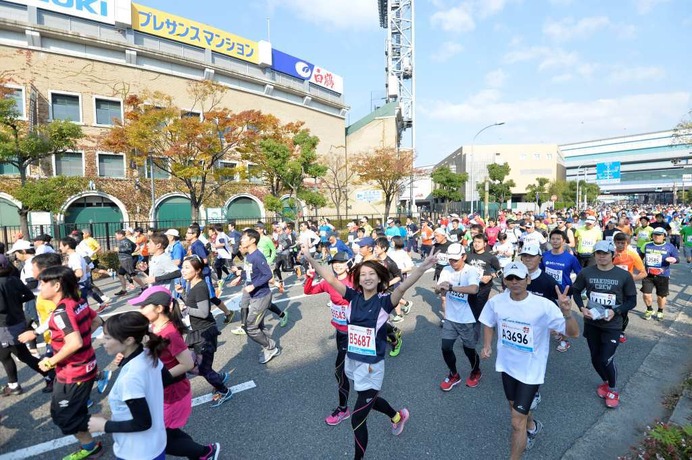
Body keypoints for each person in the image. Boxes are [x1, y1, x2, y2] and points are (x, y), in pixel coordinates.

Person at [302, 245, 438, 460]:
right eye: (363, 274)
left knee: (357, 419)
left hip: (372, 366)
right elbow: (330, 278)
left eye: (371, 274)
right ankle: (397, 416)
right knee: (369, 400)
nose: (367, 277)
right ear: (358, 278)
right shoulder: (353, 297)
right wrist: (311, 258)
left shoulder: (384, 303)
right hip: (353, 361)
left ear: (378, 278)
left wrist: (422, 268)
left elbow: (402, 288)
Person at [480, 261, 578, 459]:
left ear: (528, 279)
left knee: (516, 423)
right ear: (505, 281)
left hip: (531, 370)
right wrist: (487, 345)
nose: (514, 282)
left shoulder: (543, 306)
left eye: (519, 278)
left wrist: (567, 313)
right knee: (515, 408)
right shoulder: (496, 302)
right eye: (510, 278)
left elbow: (573, 333)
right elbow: (488, 322)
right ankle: (532, 425)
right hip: (507, 366)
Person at [130, 287, 221, 459]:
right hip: (162, 392)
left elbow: (187, 363)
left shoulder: (170, 333)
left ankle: (204, 452)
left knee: (160, 438)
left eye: (143, 306)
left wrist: (157, 377)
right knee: (168, 433)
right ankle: (204, 452)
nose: (140, 310)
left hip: (173, 393)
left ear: (158, 308)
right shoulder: (154, 328)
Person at [37, 265, 104, 460]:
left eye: (43, 283)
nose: (40, 287)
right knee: (72, 412)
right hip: (84, 366)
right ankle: (95, 440)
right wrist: (82, 340)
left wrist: (50, 362)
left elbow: (74, 342)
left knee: (66, 417)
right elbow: (97, 321)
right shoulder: (78, 300)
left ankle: (98, 441)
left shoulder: (61, 312)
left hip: (74, 373)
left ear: (56, 285)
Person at [87, 312, 166, 460]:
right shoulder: (147, 353)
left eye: (108, 338)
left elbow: (143, 423)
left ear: (129, 340)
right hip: (156, 442)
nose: (103, 341)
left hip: (136, 452)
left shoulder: (130, 377)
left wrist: (104, 425)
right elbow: (165, 379)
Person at [571, 240, 637, 409]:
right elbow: (576, 291)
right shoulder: (586, 272)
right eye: (598, 253)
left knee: (606, 359)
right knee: (595, 358)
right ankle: (606, 382)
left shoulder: (623, 275)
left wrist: (617, 311)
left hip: (612, 324)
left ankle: (613, 389)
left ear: (612, 255)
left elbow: (632, 301)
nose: (601, 256)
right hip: (592, 322)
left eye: (605, 253)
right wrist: (581, 308)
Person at [303, 251, 355, 426]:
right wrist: (309, 277)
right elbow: (308, 291)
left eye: (341, 262)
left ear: (348, 263)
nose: (337, 265)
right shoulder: (328, 283)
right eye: (334, 262)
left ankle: (343, 409)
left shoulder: (355, 282)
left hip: (354, 333)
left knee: (339, 372)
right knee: (348, 369)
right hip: (340, 332)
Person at [0, 254, 55, 396]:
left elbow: (1, 306)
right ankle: (14, 385)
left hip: (5, 326)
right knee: (4, 354)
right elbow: (29, 295)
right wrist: (16, 302)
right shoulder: (14, 280)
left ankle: (49, 374)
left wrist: (10, 303)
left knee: (22, 355)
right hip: (17, 321)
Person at [228, 229, 282, 364]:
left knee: (250, 327)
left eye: (244, 238)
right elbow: (252, 273)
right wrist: (240, 276)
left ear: (252, 240)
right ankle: (270, 345)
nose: (241, 240)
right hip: (255, 297)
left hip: (261, 297)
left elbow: (268, 275)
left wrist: (254, 285)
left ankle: (270, 347)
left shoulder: (257, 256)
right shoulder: (249, 256)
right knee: (259, 325)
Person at [435, 243, 482, 391]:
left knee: (469, 350)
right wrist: (439, 290)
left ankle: (476, 371)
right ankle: (454, 374)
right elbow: (439, 288)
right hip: (450, 316)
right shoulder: (446, 269)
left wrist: (450, 287)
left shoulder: (471, 271)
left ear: (464, 257)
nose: (452, 263)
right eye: (450, 259)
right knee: (446, 347)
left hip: (467, 317)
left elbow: (474, 289)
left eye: (456, 259)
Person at [540, 229, 582, 352]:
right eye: (553, 238)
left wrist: (575, 287)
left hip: (563, 293)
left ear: (563, 241)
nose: (555, 241)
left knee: (563, 317)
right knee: (546, 315)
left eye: (558, 239)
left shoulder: (570, 258)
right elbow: (541, 271)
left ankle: (564, 340)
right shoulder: (545, 255)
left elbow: (580, 274)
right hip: (547, 292)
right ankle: (546, 335)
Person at [185, 225, 233, 324]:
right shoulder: (194, 244)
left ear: (194, 234)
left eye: (188, 232)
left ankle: (228, 313)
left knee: (211, 297)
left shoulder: (197, 245)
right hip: (198, 275)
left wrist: (194, 264)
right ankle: (205, 315)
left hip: (204, 275)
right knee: (200, 296)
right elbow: (207, 252)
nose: (186, 234)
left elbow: (205, 260)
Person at [613, 232, 647, 343]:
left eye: (623, 243)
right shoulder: (610, 253)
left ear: (627, 243)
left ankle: (621, 332)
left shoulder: (632, 255)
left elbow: (643, 273)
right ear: (614, 243)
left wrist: (631, 279)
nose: (620, 245)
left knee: (623, 310)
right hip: (611, 286)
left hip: (625, 288)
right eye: (618, 243)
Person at [641, 227, 680, 321]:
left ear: (664, 236)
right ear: (652, 236)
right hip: (648, 274)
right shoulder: (647, 245)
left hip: (663, 275)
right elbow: (639, 257)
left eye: (659, 235)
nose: (657, 236)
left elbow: (677, 258)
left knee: (661, 296)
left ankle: (660, 310)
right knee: (646, 294)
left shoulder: (670, 246)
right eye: (655, 234)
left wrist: (674, 260)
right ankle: (649, 309)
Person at [113, 230, 146, 296]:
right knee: (120, 274)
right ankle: (124, 290)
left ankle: (144, 288)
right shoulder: (124, 240)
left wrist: (119, 249)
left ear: (121, 235)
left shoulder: (126, 241)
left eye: (116, 235)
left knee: (132, 275)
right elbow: (134, 246)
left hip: (126, 260)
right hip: (124, 261)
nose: (115, 236)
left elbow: (129, 249)